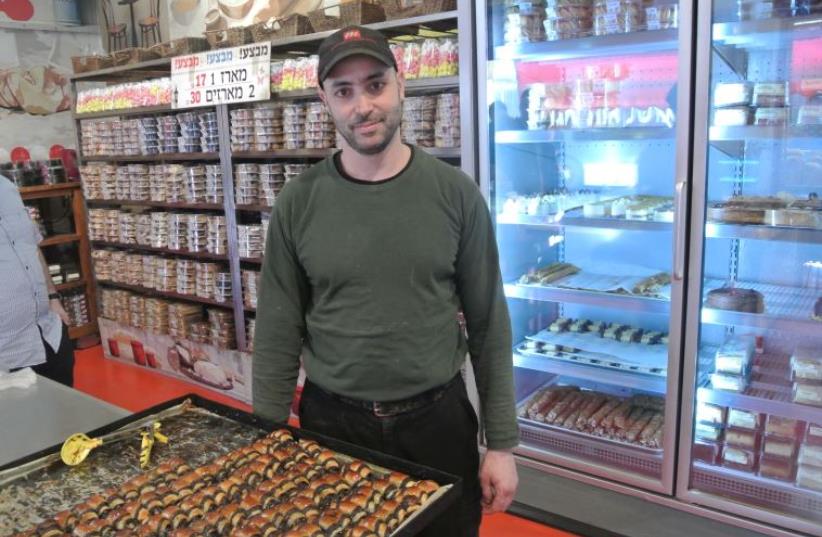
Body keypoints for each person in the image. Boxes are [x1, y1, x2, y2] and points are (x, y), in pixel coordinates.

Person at [252, 25, 519, 536]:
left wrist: (500, 444)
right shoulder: (298, 202)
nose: (362, 106)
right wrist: (267, 438)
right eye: (344, 92)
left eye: (375, 85)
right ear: (324, 100)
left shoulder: (455, 194)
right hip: (333, 426)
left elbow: (489, 323)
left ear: (402, 84)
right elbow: (278, 329)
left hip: (438, 422)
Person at [0, 174, 74, 387]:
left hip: (48, 332)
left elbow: (31, 245)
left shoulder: (6, 187)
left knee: (67, 413)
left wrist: (53, 297)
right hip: (8, 354)